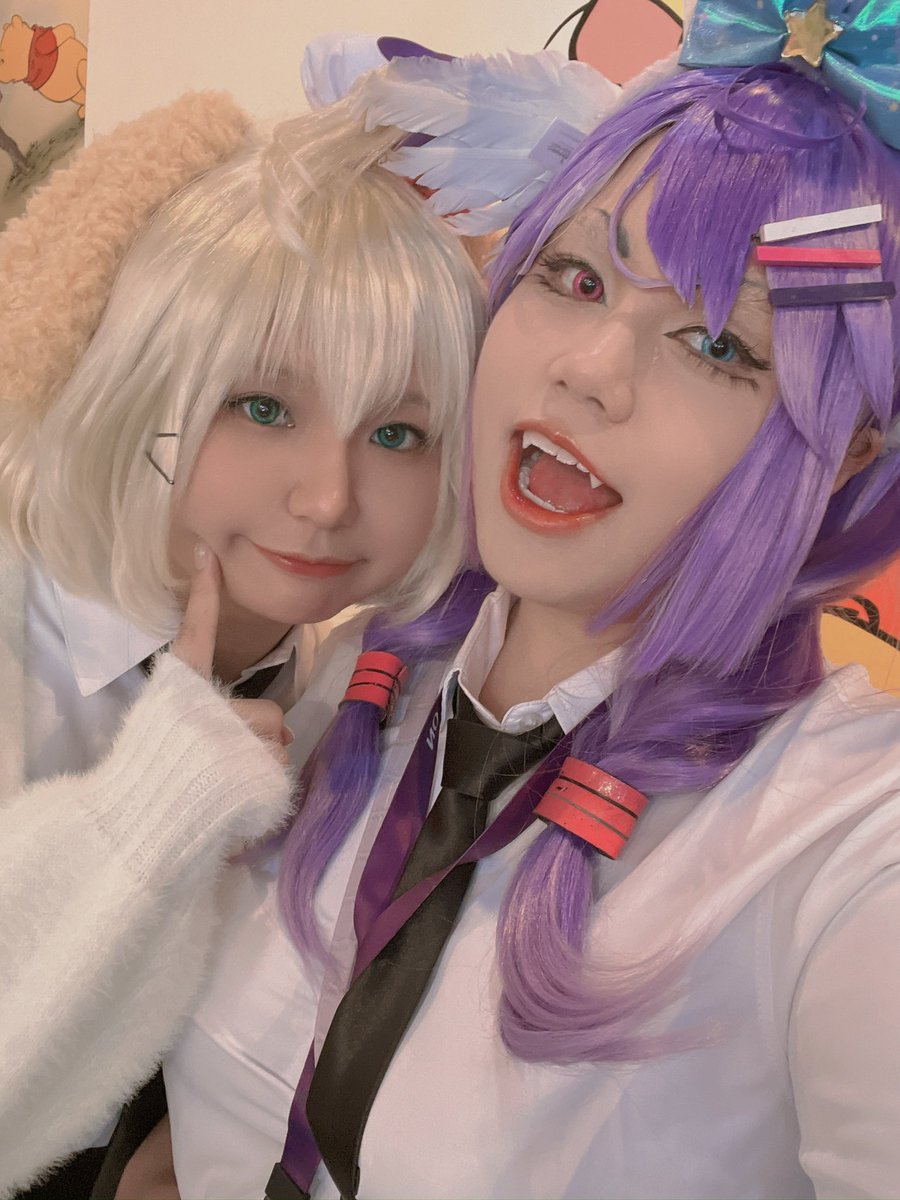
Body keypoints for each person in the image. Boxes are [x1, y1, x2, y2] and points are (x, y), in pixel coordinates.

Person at [160, 14, 900, 1200]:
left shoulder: (850, 845)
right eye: (575, 275)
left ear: (847, 447)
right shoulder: (342, 686)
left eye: (718, 342)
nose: (591, 367)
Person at [0, 84, 485, 1197]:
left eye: (398, 433)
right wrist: (161, 799)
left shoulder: (332, 688)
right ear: (142, 384)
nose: (328, 497)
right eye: (263, 408)